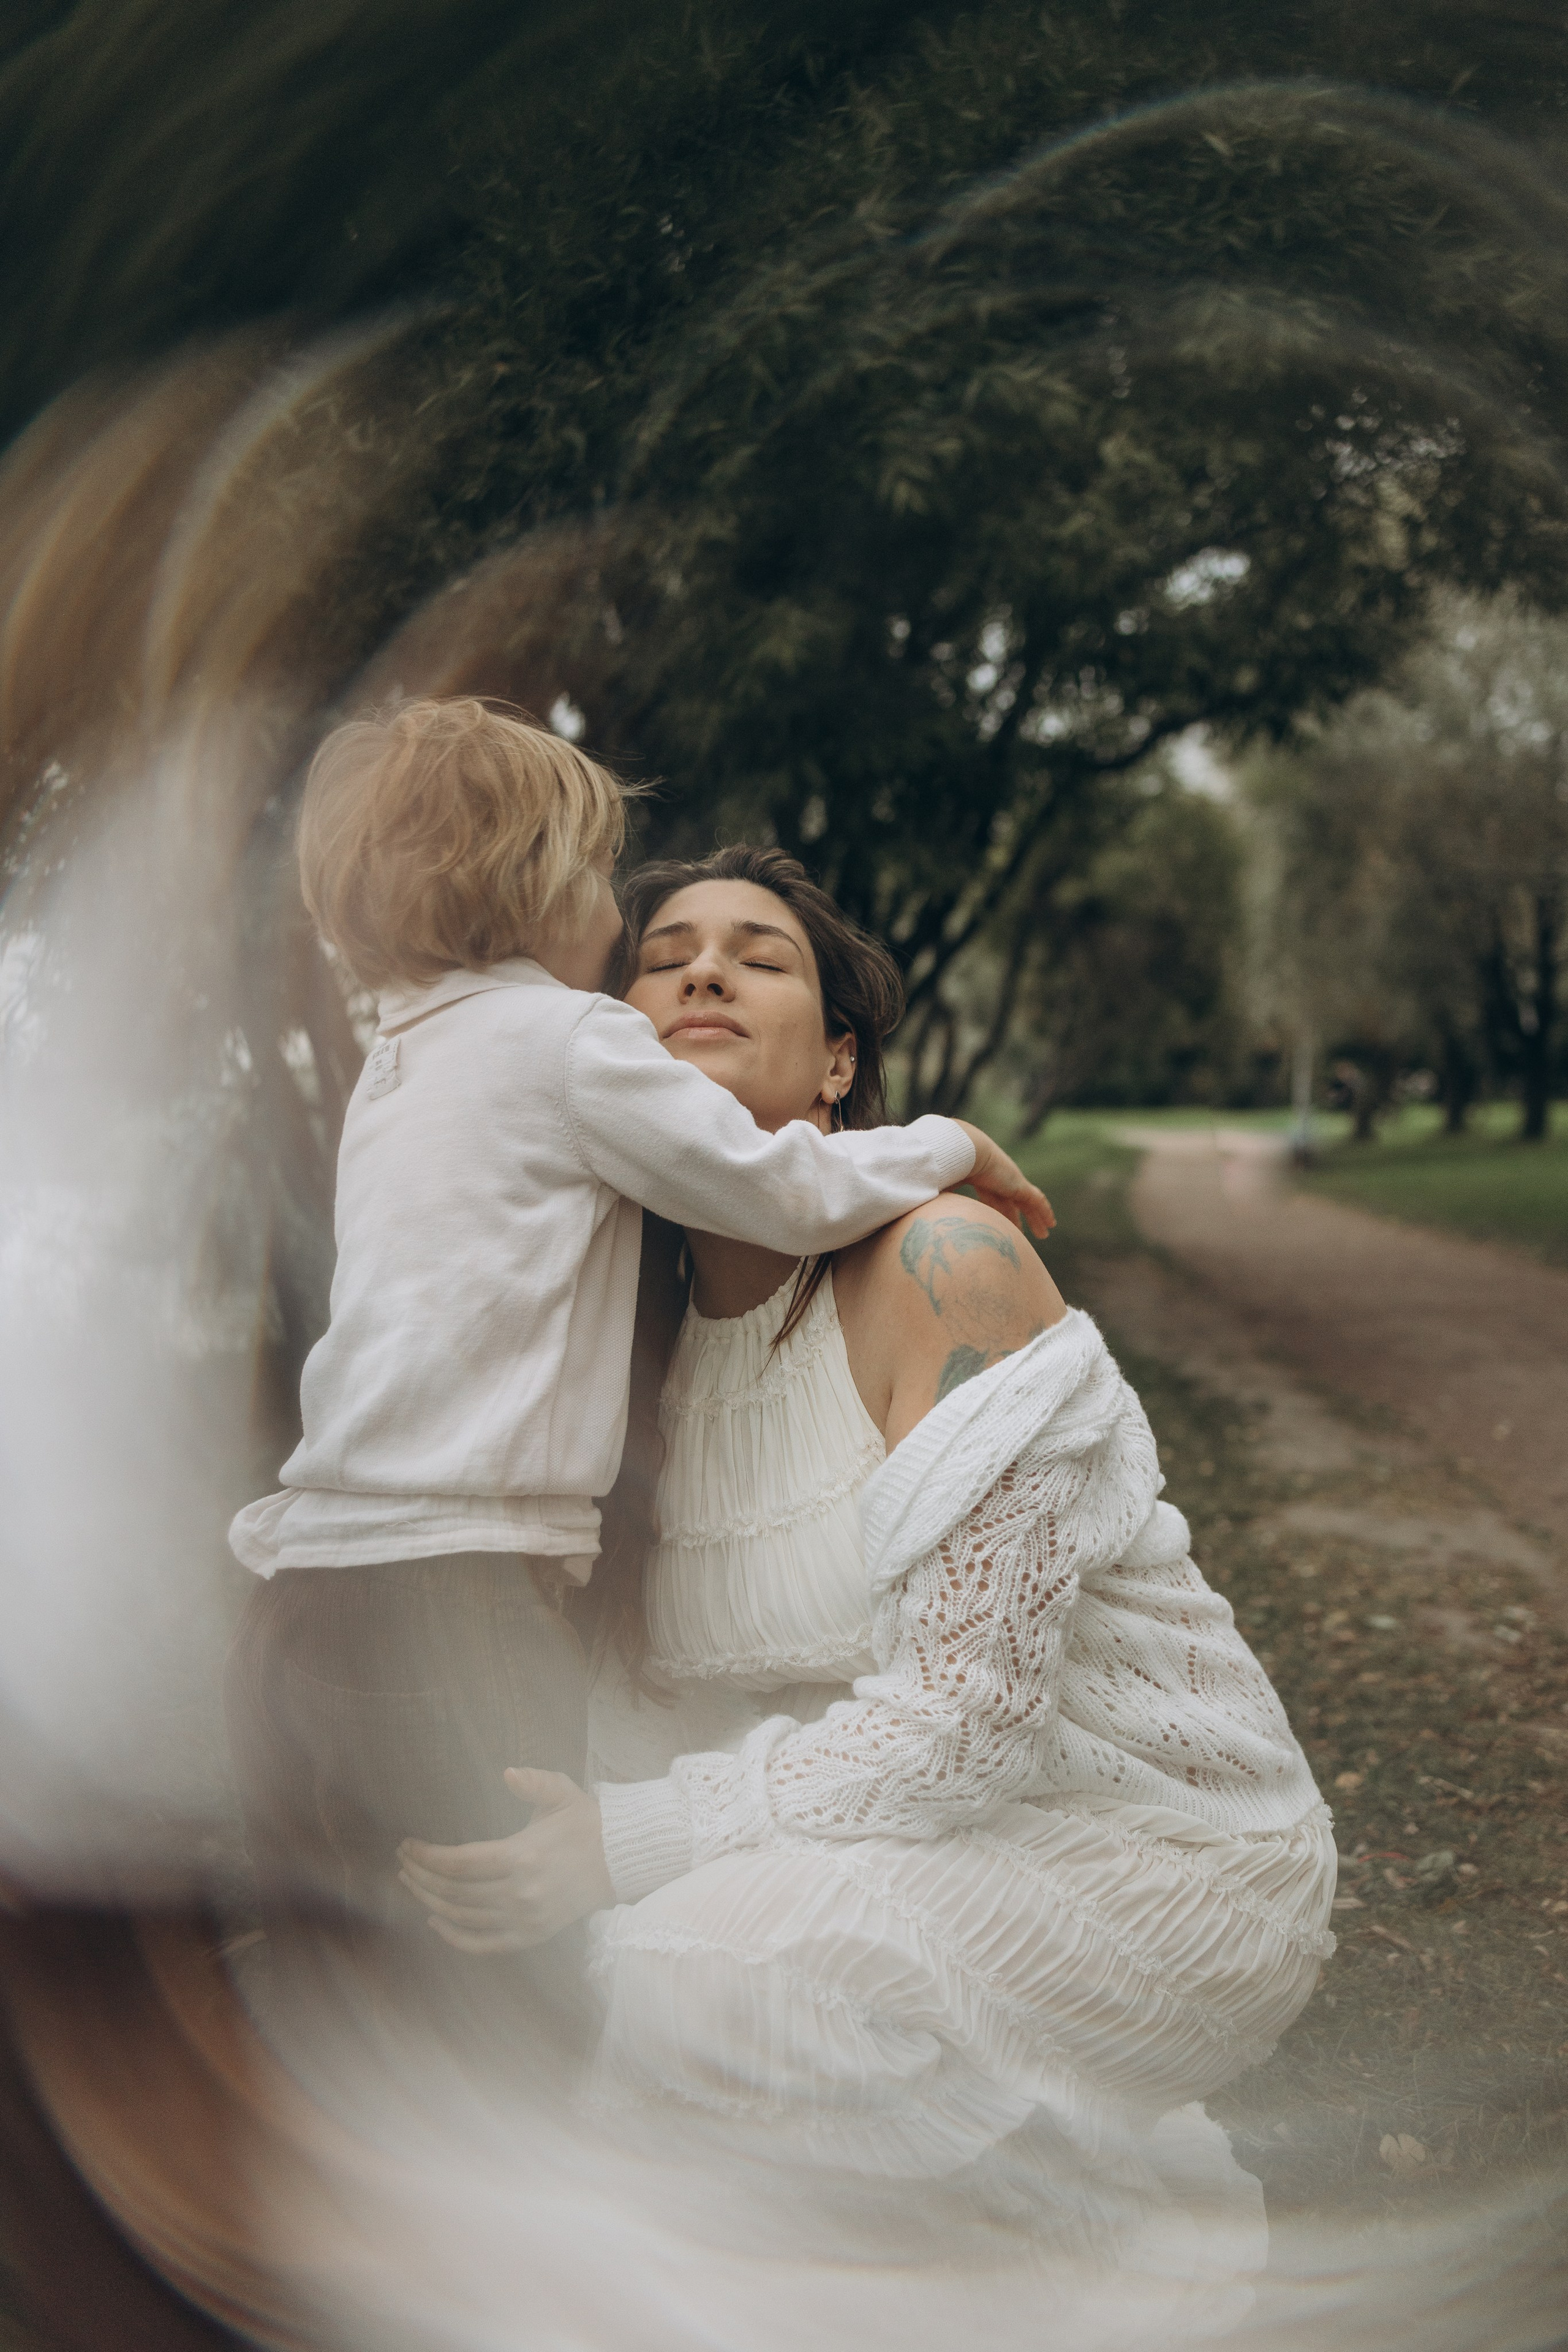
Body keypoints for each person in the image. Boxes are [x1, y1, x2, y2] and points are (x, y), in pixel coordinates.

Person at [400, 844, 1335, 2293]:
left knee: (702, 1972)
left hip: (1157, 1852)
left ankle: (1073, 2256)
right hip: (896, 1851)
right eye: (662, 959)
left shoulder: (942, 1265)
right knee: (604, 2003)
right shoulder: (621, 1350)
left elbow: (970, 1719)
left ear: (838, 1064)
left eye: (757, 956)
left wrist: (627, 1850)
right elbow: (651, 1706)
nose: (704, 972)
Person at [225, 704, 1048, 2057]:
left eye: (754, 959)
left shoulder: (401, 1063)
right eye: (632, 920)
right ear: (541, 888)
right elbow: (778, 1186)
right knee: (521, 2012)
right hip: (450, 1597)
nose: (660, 957)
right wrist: (944, 1142)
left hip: (297, 1604)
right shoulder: (566, 1041)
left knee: (347, 2023)